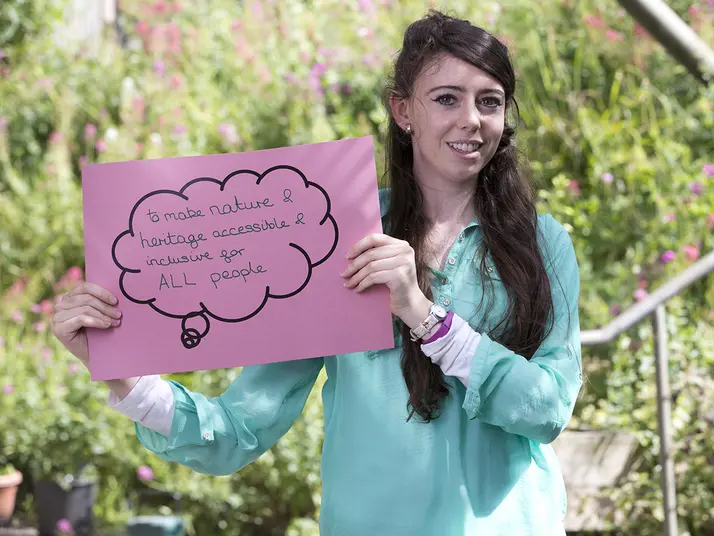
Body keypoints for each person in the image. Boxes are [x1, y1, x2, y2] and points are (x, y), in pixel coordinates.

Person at [51, 10, 582, 536]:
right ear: (403, 111)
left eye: (489, 101)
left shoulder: (543, 243)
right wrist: (119, 370)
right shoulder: (333, 235)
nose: (471, 118)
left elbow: (547, 409)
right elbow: (239, 428)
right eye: (447, 98)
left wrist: (425, 318)